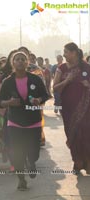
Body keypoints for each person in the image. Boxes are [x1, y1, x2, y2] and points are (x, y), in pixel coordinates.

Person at [0, 51, 49, 191]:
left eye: (22, 59)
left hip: (33, 121)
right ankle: (21, 180)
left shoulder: (35, 79)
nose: (20, 61)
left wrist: (39, 100)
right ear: (13, 63)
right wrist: (10, 102)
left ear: (27, 63)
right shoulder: (7, 82)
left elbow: (46, 94)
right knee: (16, 153)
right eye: (17, 59)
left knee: (34, 151)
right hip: (15, 122)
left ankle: (31, 162)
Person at [53, 42, 90, 175]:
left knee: (86, 134)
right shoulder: (61, 68)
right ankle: (77, 161)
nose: (64, 54)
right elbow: (55, 88)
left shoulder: (86, 67)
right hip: (67, 108)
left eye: (66, 52)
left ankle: (88, 162)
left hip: (86, 108)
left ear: (74, 52)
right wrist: (67, 81)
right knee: (71, 134)